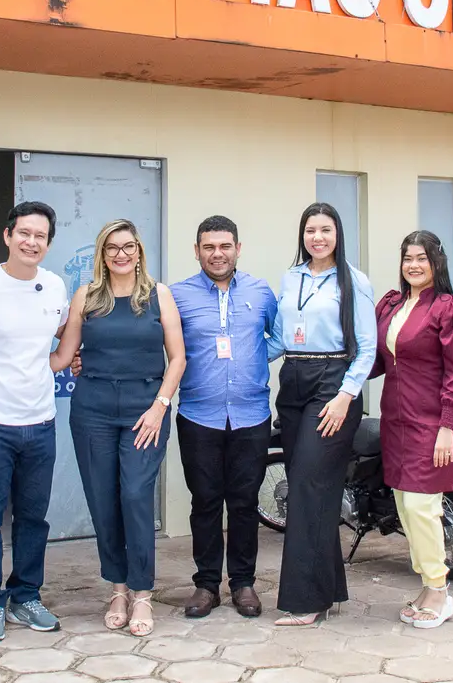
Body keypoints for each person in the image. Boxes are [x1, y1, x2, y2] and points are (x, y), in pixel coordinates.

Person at [50, 219, 186, 636]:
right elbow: (63, 356)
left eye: (128, 247)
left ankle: (142, 593)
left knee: (135, 495)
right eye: (112, 248)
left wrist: (160, 406)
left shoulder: (159, 295)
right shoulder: (87, 296)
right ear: (102, 255)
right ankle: (118, 589)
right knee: (103, 500)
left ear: (139, 251)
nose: (121, 254)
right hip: (92, 409)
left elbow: (178, 358)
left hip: (145, 410)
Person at [0, 201, 68, 643]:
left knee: (32, 517)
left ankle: (26, 595)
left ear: (48, 243)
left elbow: (63, 338)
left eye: (40, 236)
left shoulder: (55, 286)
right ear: (8, 235)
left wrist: (62, 361)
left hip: (40, 422)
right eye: (24, 233)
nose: (31, 242)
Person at [268, 202, 377, 626]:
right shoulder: (291, 277)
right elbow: (279, 339)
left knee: (308, 488)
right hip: (294, 378)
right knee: (310, 488)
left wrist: (345, 395)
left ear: (337, 234)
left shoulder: (354, 280)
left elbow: (367, 347)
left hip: (333, 383)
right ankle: (328, 589)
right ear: (302, 235)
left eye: (325, 230)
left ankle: (306, 601)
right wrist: (232, 356)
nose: (317, 237)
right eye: (311, 230)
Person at [168, 215, 280, 619]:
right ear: (197, 251)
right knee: (205, 502)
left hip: (251, 416)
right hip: (199, 416)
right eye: (209, 247)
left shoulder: (260, 292)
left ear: (238, 248)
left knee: (245, 503)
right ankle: (206, 585)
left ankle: (244, 583)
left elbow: (279, 336)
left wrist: (252, 359)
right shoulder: (177, 296)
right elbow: (157, 343)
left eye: (225, 246)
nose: (218, 254)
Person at [371, 230, 453, 630]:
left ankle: (439, 590)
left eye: (421, 258)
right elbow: (378, 361)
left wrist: (448, 427)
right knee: (405, 508)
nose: (413, 265)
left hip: (432, 423)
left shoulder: (449, 308)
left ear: (437, 263)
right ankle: (427, 586)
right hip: (396, 421)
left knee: (421, 507)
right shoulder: (392, 306)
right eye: (407, 258)